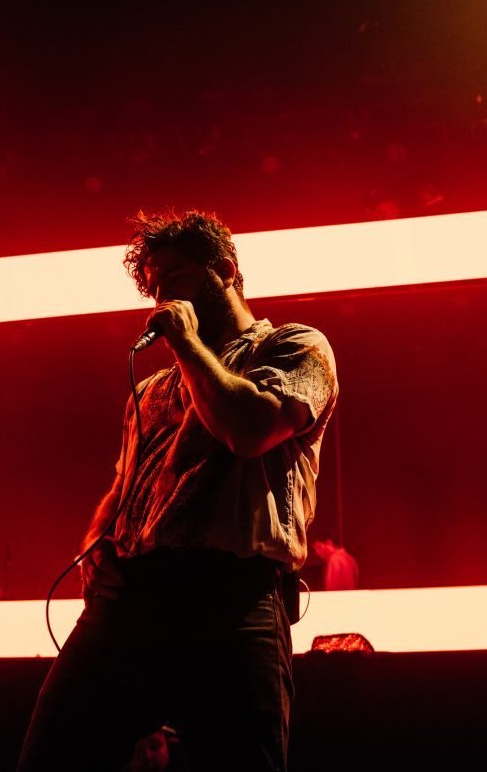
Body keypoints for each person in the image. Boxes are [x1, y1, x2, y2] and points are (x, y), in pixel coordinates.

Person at [17, 209, 339, 771]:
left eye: (176, 277)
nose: (162, 298)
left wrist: (188, 344)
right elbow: (125, 486)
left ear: (226, 270)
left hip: (231, 601)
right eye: (154, 287)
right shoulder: (149, 390)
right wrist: (96, 541)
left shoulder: (294, 346)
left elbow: (249, 429)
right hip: (130, 603)